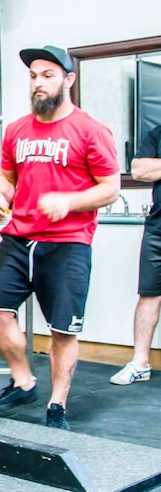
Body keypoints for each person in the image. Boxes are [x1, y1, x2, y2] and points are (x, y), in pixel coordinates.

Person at [0, 45, 120, 430]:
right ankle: (23, 381)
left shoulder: (91, 130)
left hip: (68, 243)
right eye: (33, 76)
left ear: (68, 80)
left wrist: (71, 201)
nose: (38, 83)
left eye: (47, 75)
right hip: (19, 238)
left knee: (61, 330)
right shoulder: (17, 130)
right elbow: (7, 176)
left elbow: (110, 187)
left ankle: (57, 405)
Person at [109, 124, 161, 385]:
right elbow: (139, 170)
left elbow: (150, 168)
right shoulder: (157, 133)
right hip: (158, 228)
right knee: (149, 295)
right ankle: (140, 364)